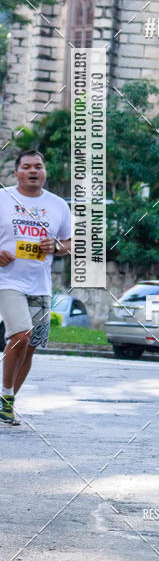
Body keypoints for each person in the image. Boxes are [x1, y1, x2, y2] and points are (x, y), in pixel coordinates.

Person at [0, 151, 72, 426]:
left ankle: (6, 403)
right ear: (17, 172)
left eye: (38, 166)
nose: (33, 171)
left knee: (32, 347)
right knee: (21, 335)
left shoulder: (57, 205)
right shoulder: (3, 198)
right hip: (6, 281)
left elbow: (72, 242)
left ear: (45, 172)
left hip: (41, 286)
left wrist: (56, 247)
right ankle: (6, 395)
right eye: (27, 166)